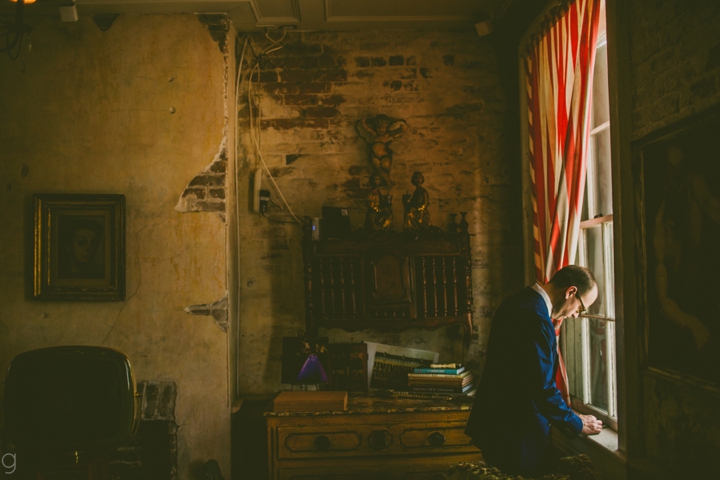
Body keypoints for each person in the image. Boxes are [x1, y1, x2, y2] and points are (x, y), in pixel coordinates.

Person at [465, 265, 603, 477]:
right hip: (514, 434)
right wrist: (575, 423)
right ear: (570, 291)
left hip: (499, 425)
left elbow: (523, 375)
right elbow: (541, 387)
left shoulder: (517, 301)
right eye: (581, 307)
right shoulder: (536, 319)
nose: (576, 315)